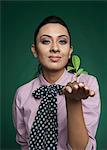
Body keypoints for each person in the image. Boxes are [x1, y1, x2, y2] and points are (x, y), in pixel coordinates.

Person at [12, 16, 101, 150]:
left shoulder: (87, 85)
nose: (55, 48)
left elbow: (81, 148)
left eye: (62, 41)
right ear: (34, 50)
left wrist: (73, 101)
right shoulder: (22, 94)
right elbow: (24, 143)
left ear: (70, 51)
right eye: (46, 41)